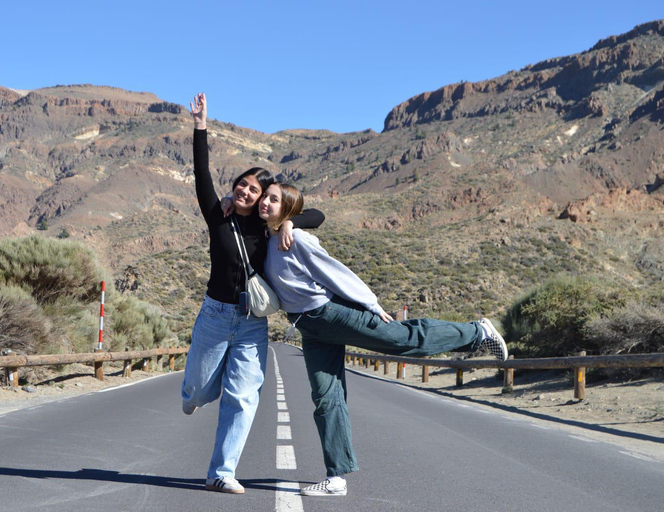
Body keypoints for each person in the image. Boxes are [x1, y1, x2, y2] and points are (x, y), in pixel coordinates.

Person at [258, 182, 508, 497]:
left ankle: (477, 332)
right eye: (264, 196)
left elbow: (336, 273)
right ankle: (336, 478)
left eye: (273, 199)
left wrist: (371, 303)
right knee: (326, 397)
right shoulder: (265, 237)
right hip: (311, 329)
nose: (265, 202)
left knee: (405, 339)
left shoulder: (296, 241)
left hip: (334, 314)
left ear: (288, 208)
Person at [181, 93, 325, 494]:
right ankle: (190, 395)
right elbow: (201, 174)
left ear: (264, 199)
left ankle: (221, 472)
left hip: (251, 324)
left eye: (252, 190)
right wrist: (200, 126)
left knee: (242, 397)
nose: (244, 192)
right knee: (198, 386)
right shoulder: (218, 216)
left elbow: (317, 214)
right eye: (240, 186)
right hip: (214, 316)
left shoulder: (269, 227)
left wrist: (292, 223)